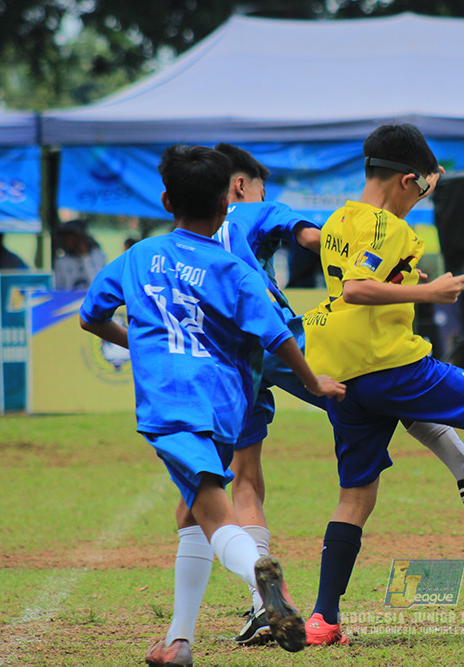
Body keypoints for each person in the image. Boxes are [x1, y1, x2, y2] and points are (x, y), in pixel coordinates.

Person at [162, 142, 464, 648]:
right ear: (239, 186)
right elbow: (324, 243)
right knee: (385, 387)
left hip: (224, 363)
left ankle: (260, 602)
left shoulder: (177, 247)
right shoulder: (256, 211)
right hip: (282, 343)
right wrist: (397, 275)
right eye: (259, 187)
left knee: (243, 481)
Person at [78, 144, 346, 665]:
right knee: (190, 512)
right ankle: (179, 642)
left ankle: (263, 580)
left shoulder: (137, 256)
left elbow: (92, 315)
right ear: (229, 202)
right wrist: (313, 383)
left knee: (212, 510)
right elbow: (276, 336)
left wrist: (143, 342)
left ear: (164, 199)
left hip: (172, 405)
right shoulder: (235, 270)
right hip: (227, 406)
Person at [301, 124, 464, 646]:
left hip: (341, 375)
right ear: (405, 180)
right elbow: (356, 288)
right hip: (390, 366)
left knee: (354, 498)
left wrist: (404, 287)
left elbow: (353, 279)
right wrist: (434, 293)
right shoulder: (389, 227)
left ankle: (323, 618)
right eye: (424, 190)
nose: (423, 200)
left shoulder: (338, 220)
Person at [54, 219, 107, 290]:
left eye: (73, 239)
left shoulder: (97, 256)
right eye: (66, 239)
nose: (69, 242)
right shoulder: (62, 262)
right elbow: (60, 287)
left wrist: (85, 256)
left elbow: (97, 284)